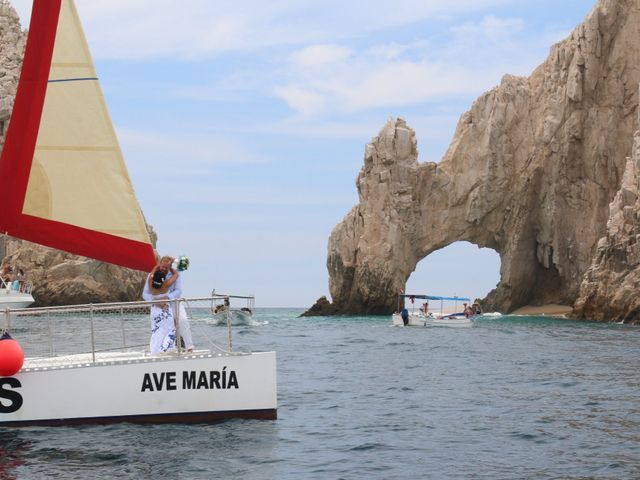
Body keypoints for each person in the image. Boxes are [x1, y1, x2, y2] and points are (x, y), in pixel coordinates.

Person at [142, 256, 194, 353]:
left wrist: (167, 299)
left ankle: (189, 347)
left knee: (183, 320)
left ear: (170, 267)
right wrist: (157, 301)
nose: (164, 269)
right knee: (160, 328)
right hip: (157, 305)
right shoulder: (152, 276)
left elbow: (179, 291)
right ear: (159, 264)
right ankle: (159, 349)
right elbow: (145, 294)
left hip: (174, 302)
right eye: (162, 267)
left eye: (166, 268)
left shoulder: (173, 275)